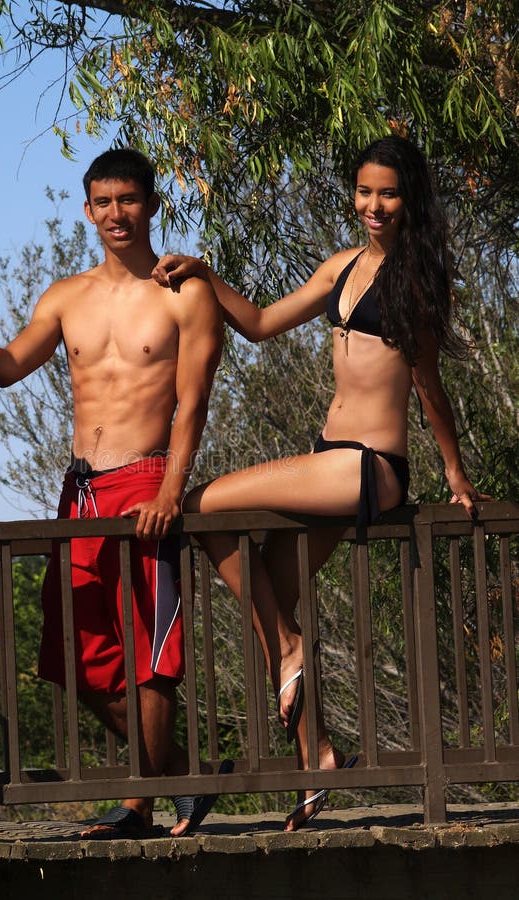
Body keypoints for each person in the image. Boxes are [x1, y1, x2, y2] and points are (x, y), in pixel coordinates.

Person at [152, 135, 490, 830]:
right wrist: (208, 274)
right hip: (331, 457)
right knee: (264, 585)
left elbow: (429, 387)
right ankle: (318, 759)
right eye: (364, 191)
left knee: (200, 506)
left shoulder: (418, 279)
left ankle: (293, 653)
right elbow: (258, 324)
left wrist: (454, 473)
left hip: (369, 466)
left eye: (387, 193)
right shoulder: (340, 268)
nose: (373, 204)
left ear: (409, 200)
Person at [0, 148, 225, 838]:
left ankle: (140, 803)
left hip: (145, 481)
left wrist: (170, 488)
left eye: (127, 200)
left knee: (149, 650)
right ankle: (180, 772)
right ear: (86, 210)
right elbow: (12, 367)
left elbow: (192, 404)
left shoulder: (183, 292)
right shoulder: (65, 295)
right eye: (102, 202)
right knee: (75, 653)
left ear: (152, 205)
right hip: (79, 491)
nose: (115, 214)